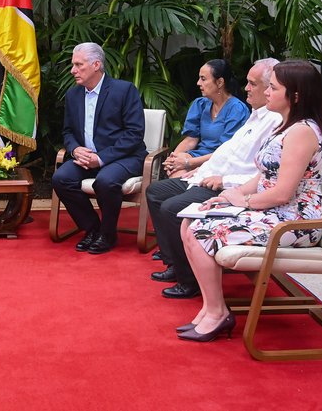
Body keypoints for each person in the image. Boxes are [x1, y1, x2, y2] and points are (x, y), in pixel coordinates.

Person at [177, 60, 322, 342]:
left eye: (274, 88)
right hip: (273, 210)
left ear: (295, 96)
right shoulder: (285, 126)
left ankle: (217, 313)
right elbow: (263, 176)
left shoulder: (302, 132)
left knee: (200, 232)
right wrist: (226, 198)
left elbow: (283, 193)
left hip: (294, 220)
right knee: (189, 222)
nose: (266, 92)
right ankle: (211, 307)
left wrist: (243, 200)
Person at [145, 58, 281, 299]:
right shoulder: (255, 114)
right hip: (207, 171)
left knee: (171, 208)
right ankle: (174, 261)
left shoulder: (271, 121)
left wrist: (209, 173)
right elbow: (226, 151)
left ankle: (189, 280)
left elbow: (258, 170)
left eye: (253, 84)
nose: (246, 88)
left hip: (226, 183)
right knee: (156, 192)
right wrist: (192, 166)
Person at [52, 42, 147, 254]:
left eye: (78, 65)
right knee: (61, 178)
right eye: (73, 65)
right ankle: (93, 229)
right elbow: (68, 131)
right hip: (87, 158)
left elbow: (134, 133)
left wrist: (101, 158)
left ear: (96, 65)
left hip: (124, 157)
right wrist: (75, 149)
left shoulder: (124, 90)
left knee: (105, 181)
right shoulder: (73, 95)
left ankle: (108, 233)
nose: (73, 70)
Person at [163, 59, 249, 178]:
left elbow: (226, 152)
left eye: (203, 79)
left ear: (220, 82)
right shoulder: (200, 104)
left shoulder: (237, 110)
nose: (198, 83)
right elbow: (190, 140)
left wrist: (188, 163)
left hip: (220, 163)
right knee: (175, 173)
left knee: (181, 178)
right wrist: (173, 160)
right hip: (196, 157)